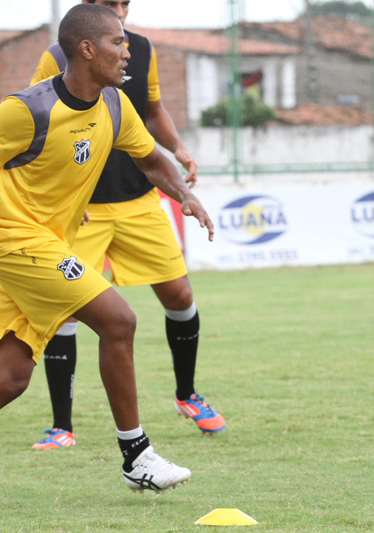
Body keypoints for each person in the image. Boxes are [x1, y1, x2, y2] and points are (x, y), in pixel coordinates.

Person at [0, 3, 214, 509]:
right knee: (119, 320)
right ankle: (137, 456)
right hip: (15, 242)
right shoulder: (29, 108)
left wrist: (185, 193)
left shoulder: (114, 105)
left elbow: (150, 157)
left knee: (8, 380)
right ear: (87, 49)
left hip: (49, 246)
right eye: (118, 41)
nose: (128, 48)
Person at [27, 0, 224, 451]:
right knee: (70, 311)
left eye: (124, 4)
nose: (120, 11)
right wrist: (60, 196)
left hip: (139, 200)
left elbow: (152, 111)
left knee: (180, 295)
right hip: (84, 209)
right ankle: (62, 426)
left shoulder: (139, 50)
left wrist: (178, 149)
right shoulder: (57, 58)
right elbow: (39, 126)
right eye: (110, 4)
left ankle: (187, 394)